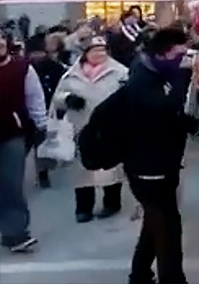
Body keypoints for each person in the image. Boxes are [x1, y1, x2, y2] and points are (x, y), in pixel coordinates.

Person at [123, 27, 196, 284]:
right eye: (180, 54)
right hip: (147, 164)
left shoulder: (156, 73)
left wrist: (187, 123)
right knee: (167, 226)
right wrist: (183, 78)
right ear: (164, 54)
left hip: (163, 160)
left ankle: (140, 273)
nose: (184, 60)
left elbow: (168, 114)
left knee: (156, 222)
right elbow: (162, 108)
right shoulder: (141, 77)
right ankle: (171, 278)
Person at [51, 37, 128, 222]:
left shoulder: (120, 72)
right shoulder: (71, 74)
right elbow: (57, 97)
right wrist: (68, 99)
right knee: (82, 171)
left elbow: (130, 95)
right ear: (86, 53)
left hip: (110, 127)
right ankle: (84, 207)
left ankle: (111, 202)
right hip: (81, 127)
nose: (100, 54)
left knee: (111, 168)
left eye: (103, 50)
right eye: (95, 50)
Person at [0, 32, 46, 253]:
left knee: (11, 185)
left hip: (11, 134)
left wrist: (41, 124)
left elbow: (35, 97)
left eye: (1, 38)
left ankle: (15, 233)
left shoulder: (21, 69)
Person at [26, 33, 67, 188]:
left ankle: (43, 172)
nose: (36, 56)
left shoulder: (56, 68)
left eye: (40, 52)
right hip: (26, 113)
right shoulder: (24, 68)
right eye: (33, 53)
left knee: (42, 143)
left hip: (49, 109)